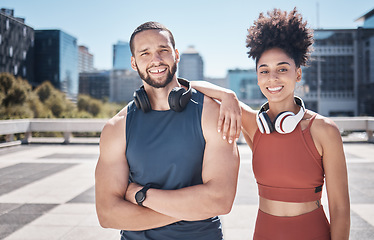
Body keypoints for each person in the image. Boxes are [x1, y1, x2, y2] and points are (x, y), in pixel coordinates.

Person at [191, 8, 350, 240]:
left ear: (298, 74)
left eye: (282, 69)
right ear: (257, 76)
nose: (272, 78)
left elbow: (341, 210)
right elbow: (187, 85)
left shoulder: (324, 130)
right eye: (264, 71)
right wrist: (228, 95)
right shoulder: (255, 125)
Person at [95, 21, 240, 240]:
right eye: (145, 53)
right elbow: (108, 214)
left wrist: (141, 196)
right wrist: (189, 210)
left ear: (176, 55)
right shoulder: (117, 128)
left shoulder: (212, 114)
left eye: (163, 50)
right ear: (134, 63)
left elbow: (220, 200)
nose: (156, 60)